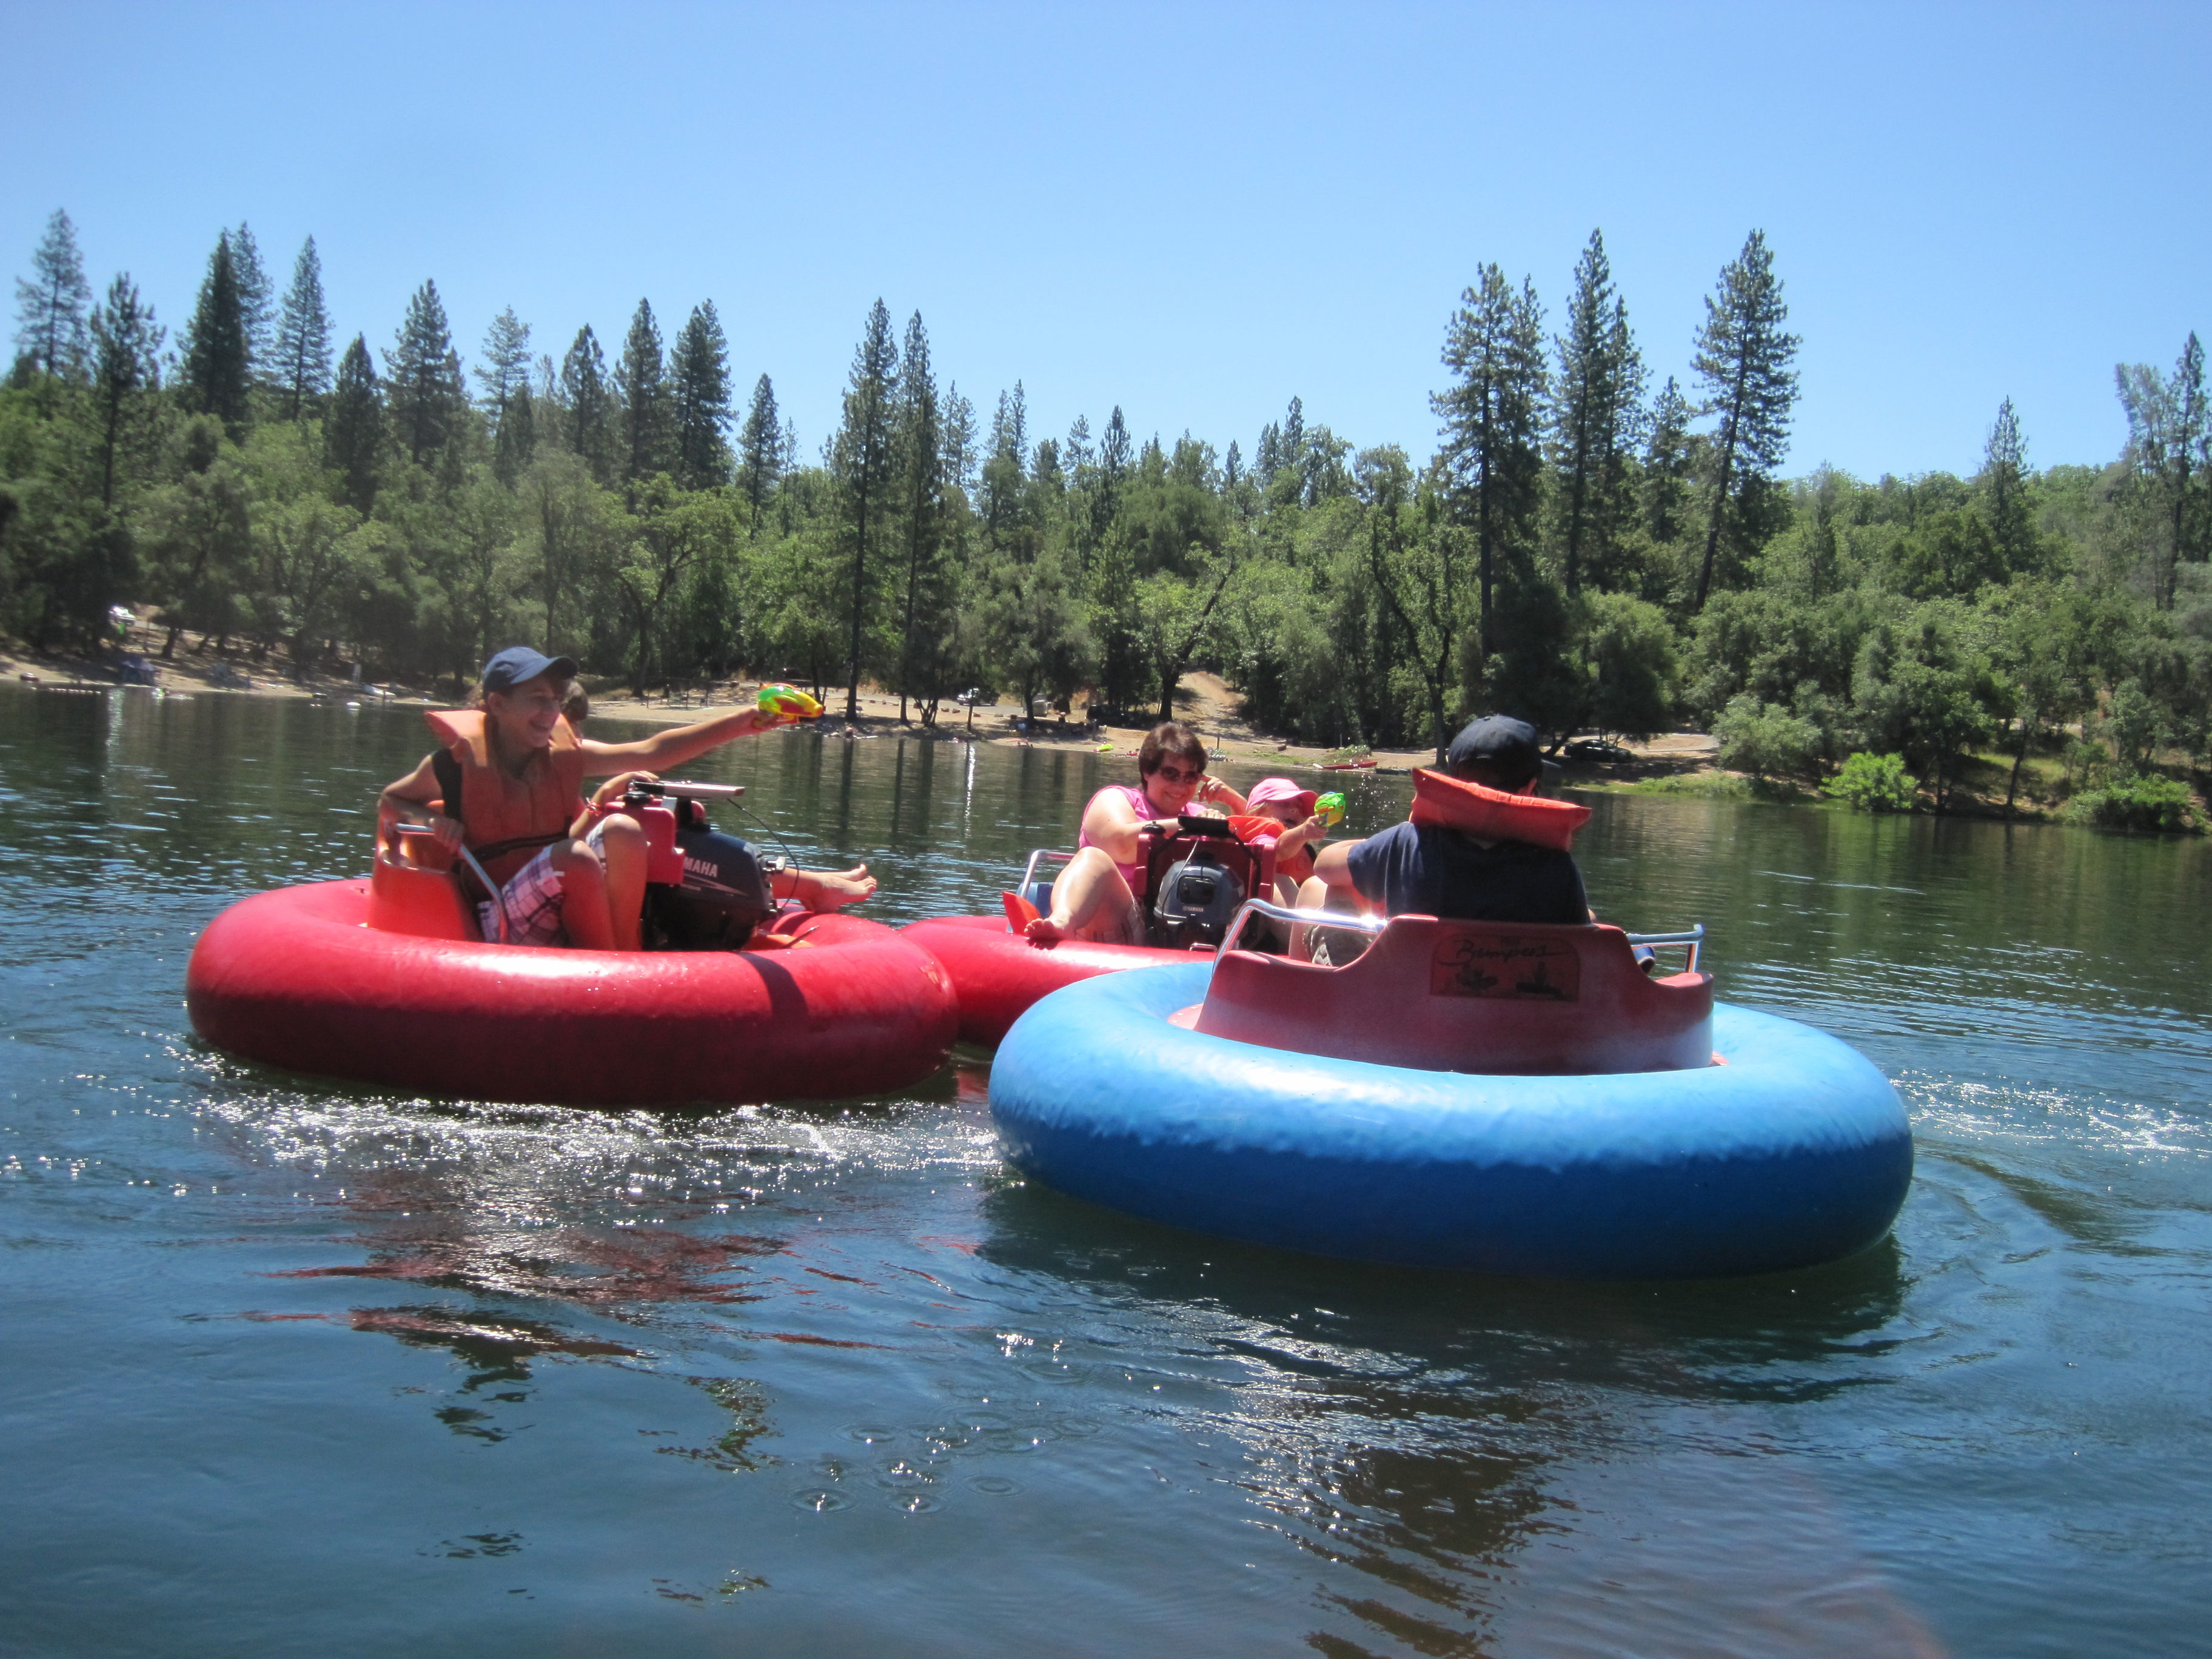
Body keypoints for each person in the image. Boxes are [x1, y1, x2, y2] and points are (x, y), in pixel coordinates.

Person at [378, 647, 875, 951]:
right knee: (575, 856)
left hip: (553, 896)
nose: (552, 712)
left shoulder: (562, 754)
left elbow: (651, 749)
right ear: (496, 705)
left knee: (623, 829)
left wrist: (744, 722)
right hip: (500, 918)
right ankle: (607, 967)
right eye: (537, 700)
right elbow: (391, 803)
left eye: (556, 700)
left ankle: (622, 958)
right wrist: (431, 819)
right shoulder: (453, 765)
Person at [1298, 714, 1591, 930]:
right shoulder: (1557, 868)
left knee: (1335, 890)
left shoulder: (1408, 843)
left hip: (1413, 1003)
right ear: (1529, 788)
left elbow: (1324, 866)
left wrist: (1371, 844)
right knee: (1589, 919)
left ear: (1452, 784)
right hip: (1514, 1012)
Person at [1024, 720, 1248, 945]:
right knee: (1093, 858)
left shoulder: (1203, 816)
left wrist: (1235, 803)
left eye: (1190, 776)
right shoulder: (1117, 799)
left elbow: (1255, 856)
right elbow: (1121, 847)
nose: (1180, 786)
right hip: (1126, 919)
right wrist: (1187, 826)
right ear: (1147, 772)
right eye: (1170, 774)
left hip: (1193, 926)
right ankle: (1062, 922)